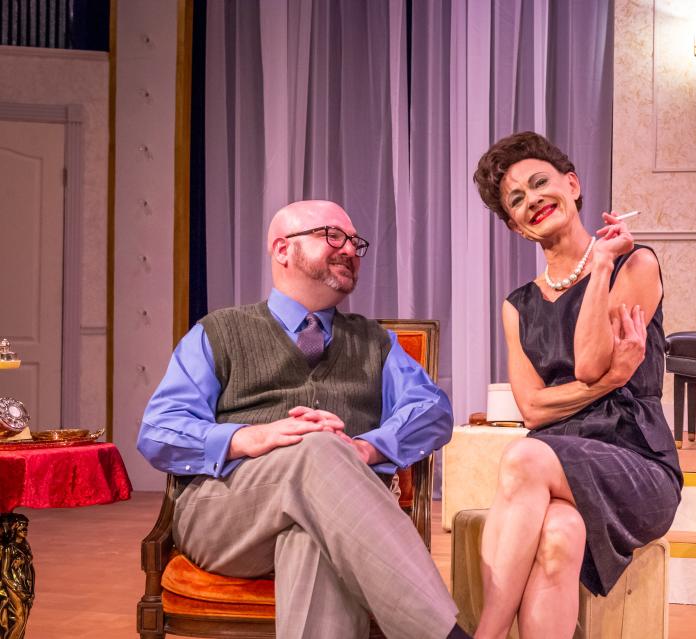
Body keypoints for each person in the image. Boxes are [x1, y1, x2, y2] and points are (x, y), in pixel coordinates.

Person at [137, 200, 470, 639]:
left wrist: (367, 447)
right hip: (226, 513)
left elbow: (432, 411)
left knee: (315, 537)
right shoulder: (218, 332)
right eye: (332, 235)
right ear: (282, 250)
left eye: (355, 242)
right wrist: (245, 436)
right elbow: (158, 431)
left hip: (336, 515)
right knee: (317, 446)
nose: (349, 249)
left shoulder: (375, 342)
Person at [471, 132, 683, 638]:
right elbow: (533, 410)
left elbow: (586, 363)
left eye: (540, 183)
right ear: (517, 228)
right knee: (559, 535)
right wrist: (615, 376)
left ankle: (484, 635)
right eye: (516, 200)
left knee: (525, 456)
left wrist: (602, 264)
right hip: (558, 465)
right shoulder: (517, 305)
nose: (532, 200)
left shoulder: (636, 264)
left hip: (636, 464)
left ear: (572, 184)